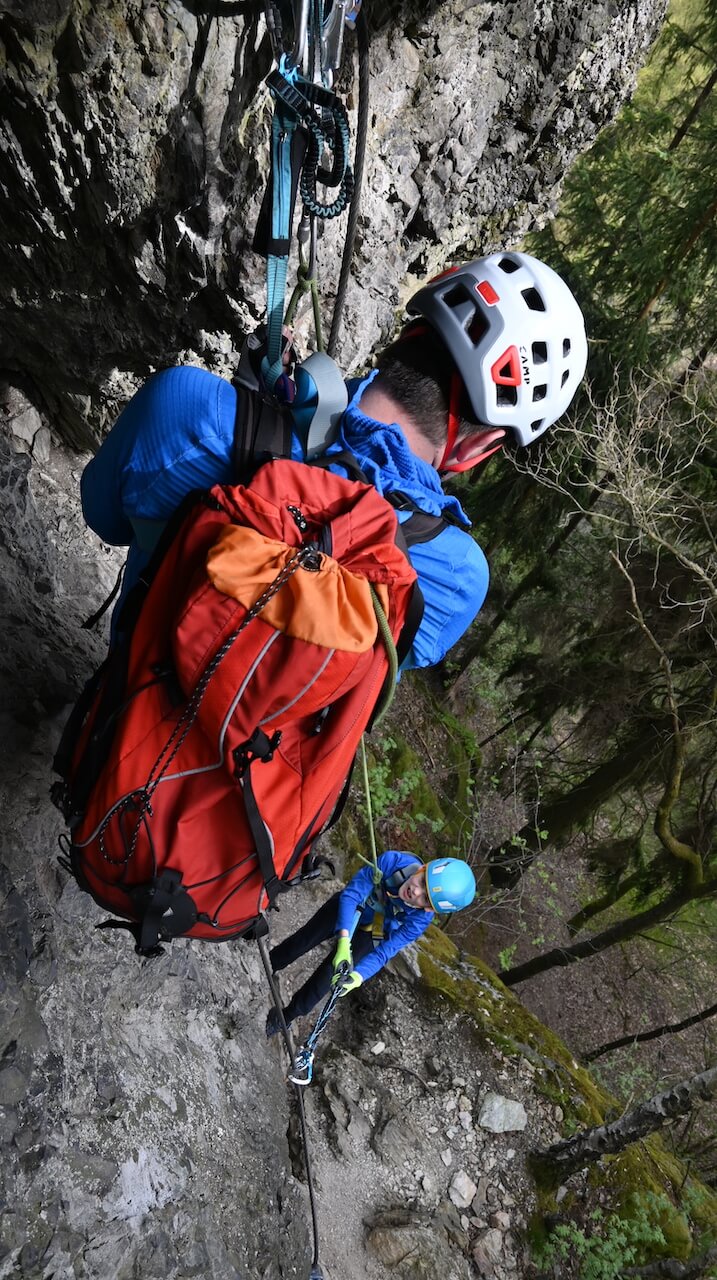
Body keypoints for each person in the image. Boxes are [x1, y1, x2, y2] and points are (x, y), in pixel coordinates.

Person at [80, 250, 588, 671]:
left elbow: (100, 515)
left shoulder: (188, 407)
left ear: (409, 333)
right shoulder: (455, 580)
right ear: (481, 446)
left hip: (122, 733)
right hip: (256, 786)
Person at [265, 851, 477, 1036]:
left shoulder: (420, 920)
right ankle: (270, 963)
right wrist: (343, 941)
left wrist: (358, 976)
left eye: (424, 899)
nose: (416, 892)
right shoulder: (393, 862)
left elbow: (386, 951)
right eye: (422, 882)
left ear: (430, 909)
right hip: (352, 905)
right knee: (305, 939)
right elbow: (352, 895)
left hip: (374, 928)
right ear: (423, 868)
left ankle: (287, 1016)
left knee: (330, 977)